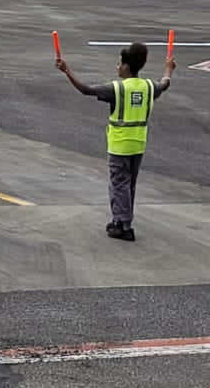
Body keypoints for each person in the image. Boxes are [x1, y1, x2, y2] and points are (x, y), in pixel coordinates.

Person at [55, 41, 174, 241]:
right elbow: (164, 84)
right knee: (129, 185)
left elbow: (86, 90)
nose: (117, 66)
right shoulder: (148, 86)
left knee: (119, 184)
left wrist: (67, 71)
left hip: (120, 146)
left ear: (127, 66)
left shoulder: (117, 89)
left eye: (119, 63)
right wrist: (168, 69)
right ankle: (122, 220)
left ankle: (123, 225)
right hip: (138, 144)